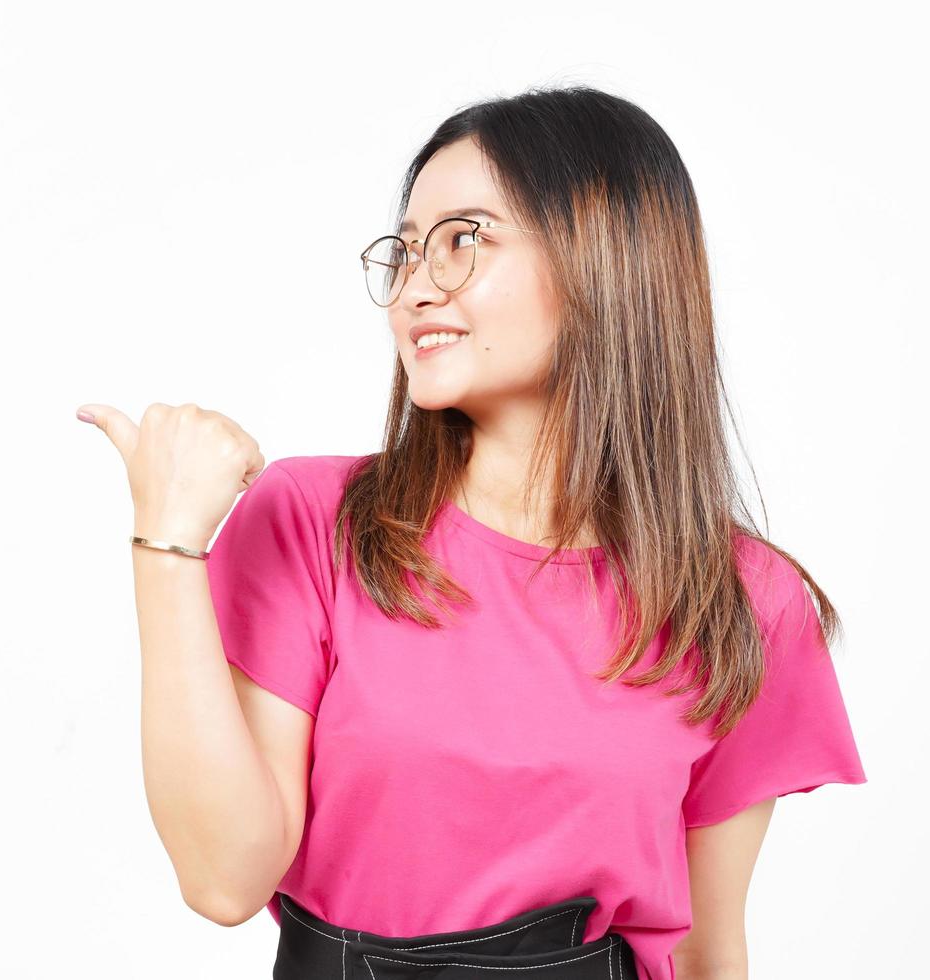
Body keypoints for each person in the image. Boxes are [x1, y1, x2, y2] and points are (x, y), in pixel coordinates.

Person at [75, 85, 867, 980]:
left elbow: (713, 953)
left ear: (603, 258)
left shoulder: (742, 597)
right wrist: (169, 546)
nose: (415, 288)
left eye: (463, 240)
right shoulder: (315, 523)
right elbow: (224, 878)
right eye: (405, 252)